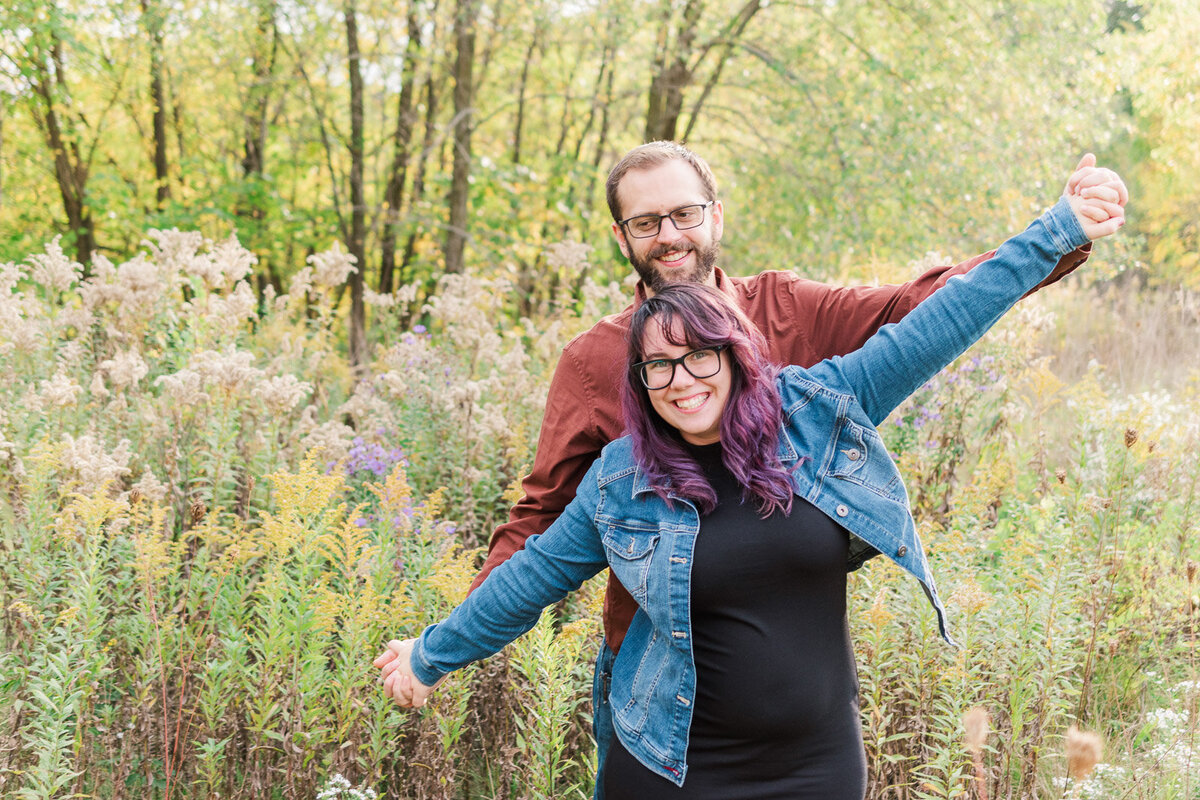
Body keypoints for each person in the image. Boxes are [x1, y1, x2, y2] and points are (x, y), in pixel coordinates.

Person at [375, 168, 1126, 798]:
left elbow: (940, 317)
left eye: (702, 355)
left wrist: (1058, 229)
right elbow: (534, 569)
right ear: (637, 383)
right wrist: (430, 655)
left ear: (738, 354)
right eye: (657, 367)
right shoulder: (623, 479)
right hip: (668, 758)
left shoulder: (818, 406)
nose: (681, 379)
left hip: (816, 763)